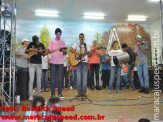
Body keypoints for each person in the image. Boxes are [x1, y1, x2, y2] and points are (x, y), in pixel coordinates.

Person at [25, 35, 46, 101]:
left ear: (38, 39)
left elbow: (44, 54)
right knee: (31, 80)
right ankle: (30, 95)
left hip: (39, 64)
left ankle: (38, 95)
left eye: (36, 41)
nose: (35, 42)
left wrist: (41, 52)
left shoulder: (41, 45)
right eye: (34, 41)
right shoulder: (31, 44)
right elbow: (26, 51)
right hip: (31, 63)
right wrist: (31, 50)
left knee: (39, 80)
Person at [48, 28, 66, 98]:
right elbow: (48, 51)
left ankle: (60, 93)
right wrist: (56, 49)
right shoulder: (51, 42)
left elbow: (65, 53)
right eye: (57, 34)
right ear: (55, 34)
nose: (58, 35)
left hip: (60, 62)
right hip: (53, 62)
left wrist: (64, 51)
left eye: (60, 34)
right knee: (53, 78)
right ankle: (52, 94)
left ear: (61, 34)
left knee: (60, 78)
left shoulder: (63, 42)